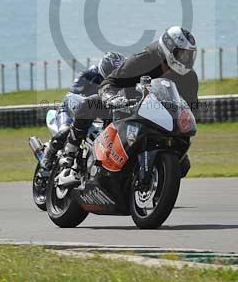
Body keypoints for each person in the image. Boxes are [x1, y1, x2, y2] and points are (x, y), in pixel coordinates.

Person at [58, 26, 199, 184]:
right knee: (89, 104)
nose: (185, 59)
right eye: (181, 53)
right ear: (168, 48)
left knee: (182, 165)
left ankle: (150, 185)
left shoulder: (189, 78)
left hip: (160, 120)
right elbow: (111, 81)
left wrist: (186, 121)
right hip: (126, 106)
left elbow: (191, 108)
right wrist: (110, 97)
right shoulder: (145, 58)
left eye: (189, 55)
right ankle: (69, 157)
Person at [39, 51, 125, 172]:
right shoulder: (89, 75)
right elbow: (71, 95)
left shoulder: (120, 81)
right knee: (65, 130)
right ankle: (48, 154)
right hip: (71, 108)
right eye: (112, 71)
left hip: (95, 116)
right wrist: (85, 104)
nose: (114, 74)